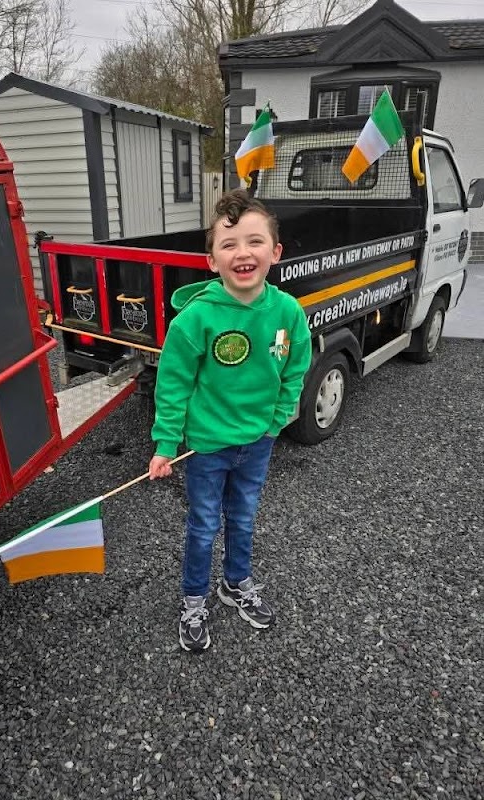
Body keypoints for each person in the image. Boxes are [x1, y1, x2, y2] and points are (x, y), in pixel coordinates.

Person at [148, 189, 312, 652]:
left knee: (243, 518)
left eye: (255, 241)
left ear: (275, 252)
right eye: (229, 244)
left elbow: (294, 368)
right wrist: (165, 445)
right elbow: (173, 385)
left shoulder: (288, 312)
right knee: (203, 526)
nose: (243, 253)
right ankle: (194, 600)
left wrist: (276, 420)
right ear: (212, 260)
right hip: (207, 447)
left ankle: (235, 583)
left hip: (258, 442)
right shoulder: (194, 320)